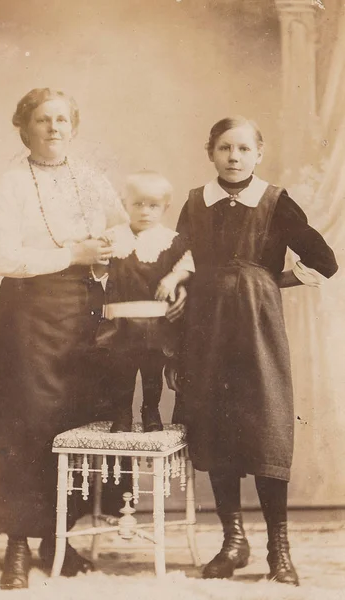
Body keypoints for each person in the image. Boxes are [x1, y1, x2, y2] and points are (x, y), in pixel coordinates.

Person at [167, 117, 338, 586]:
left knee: (265, 430)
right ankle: (232, 541)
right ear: (211, 152)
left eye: (244, 148)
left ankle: (278, 549)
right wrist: (180, 297)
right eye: (225, 148)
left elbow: (325, 261)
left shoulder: (275, 201)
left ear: (259, 154)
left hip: (258, 331)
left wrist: (267, 280)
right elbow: (177, 261)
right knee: (217, 430)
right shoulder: (194, 203)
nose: (234, 157)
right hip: (206, 332)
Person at [0, 88, 128, 589]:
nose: (54, 128)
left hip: (84, 312)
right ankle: (17, 547)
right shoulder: (13, 182)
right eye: (44, 120)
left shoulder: (91, 177)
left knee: (75, 421)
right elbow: (3, 259)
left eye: (63, 119)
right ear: (25, 127)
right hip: (29, 314)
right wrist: (73, 254)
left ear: (73, 127)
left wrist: (110, 248)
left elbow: (125, 229)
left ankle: (56, 540)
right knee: (26, 425)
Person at [95, 171, 194, 433]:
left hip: (155, 321)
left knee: (152, 371)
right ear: (124, 203)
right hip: (121, 320)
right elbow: (98, 271)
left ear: (165, 207)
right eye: (137, 204)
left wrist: (173, 278)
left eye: (153, 206)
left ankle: (151, 412)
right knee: (122, 371)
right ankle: (122, 415)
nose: (145, 211)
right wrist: (100, 259)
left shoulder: (171, 240)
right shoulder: (113, 237)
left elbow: (187, 264)